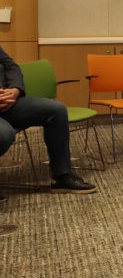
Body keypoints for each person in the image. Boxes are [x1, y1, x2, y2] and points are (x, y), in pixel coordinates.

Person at [0, 47, 96, 193]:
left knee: (56, 110)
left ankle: (62, 175)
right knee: (4, 134)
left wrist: (15, 90)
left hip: (8, 102)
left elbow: (11, 66)